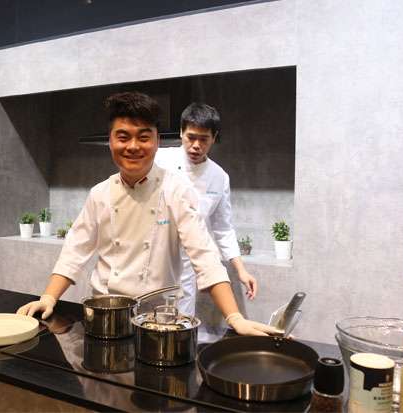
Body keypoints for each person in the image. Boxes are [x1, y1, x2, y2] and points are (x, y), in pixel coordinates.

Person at [17, 91, 279, 336]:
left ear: (157, 142)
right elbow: (75, 250)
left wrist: (235, 318)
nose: (133, 146)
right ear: (110, 141)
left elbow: (205, 255)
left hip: (158, 316)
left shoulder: (176, 190)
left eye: (143, 138)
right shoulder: (99, 193)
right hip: (106, 310)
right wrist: (49, 298)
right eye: (123, 137)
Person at [155, 102, 256, 316]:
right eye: (191, 137)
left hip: (187, 261)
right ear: (181, 132)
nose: (196, 145)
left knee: (182, 320)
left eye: (204, 139)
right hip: (153, 254)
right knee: (147, 318)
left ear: (214, 137)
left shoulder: (219, 177)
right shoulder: (159, 159)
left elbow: (223, 228)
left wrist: (241, 270)